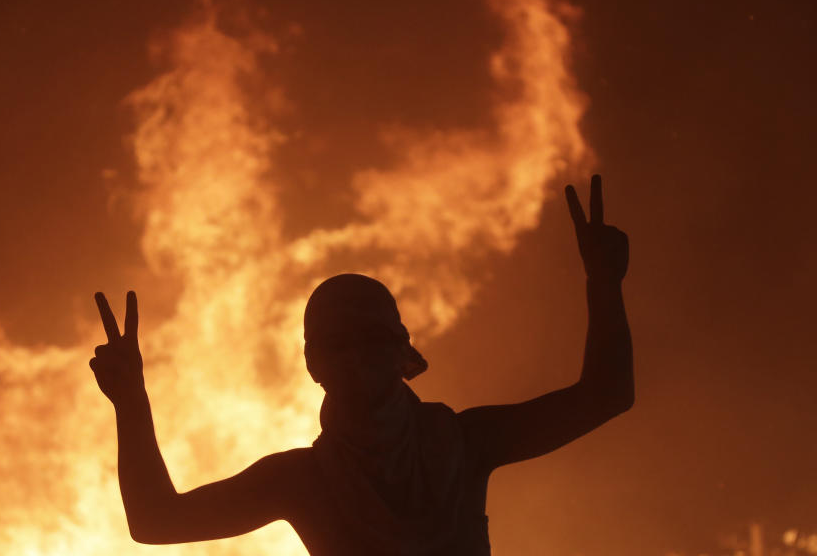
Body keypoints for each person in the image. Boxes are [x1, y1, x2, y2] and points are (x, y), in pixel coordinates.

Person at [89, 174, 633, 555]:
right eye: (337, 343)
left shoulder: (467, 443)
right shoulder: (301, 482)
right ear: (314, 365)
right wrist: (130, 403)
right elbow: (156, 522)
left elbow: (606, 395)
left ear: (403, 355)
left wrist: (604, 285)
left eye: (369, 339)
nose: (355, 358)